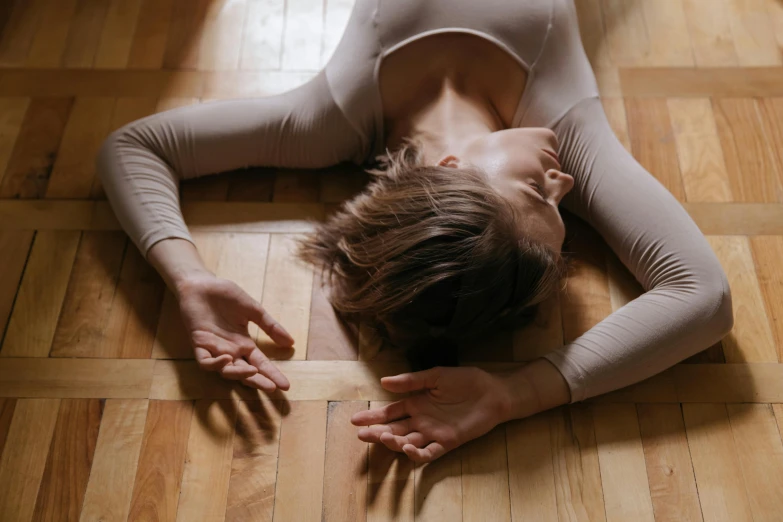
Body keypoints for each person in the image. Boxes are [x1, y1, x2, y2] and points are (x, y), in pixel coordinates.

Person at [98, 0, 733, 463]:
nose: (563, 183)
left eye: (538, 192)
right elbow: (702, 296)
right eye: (556, 200)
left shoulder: (332, 120)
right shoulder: (565, 134)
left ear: (451, 172)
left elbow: (136, 146)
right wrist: (517, 394)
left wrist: (187, 275)